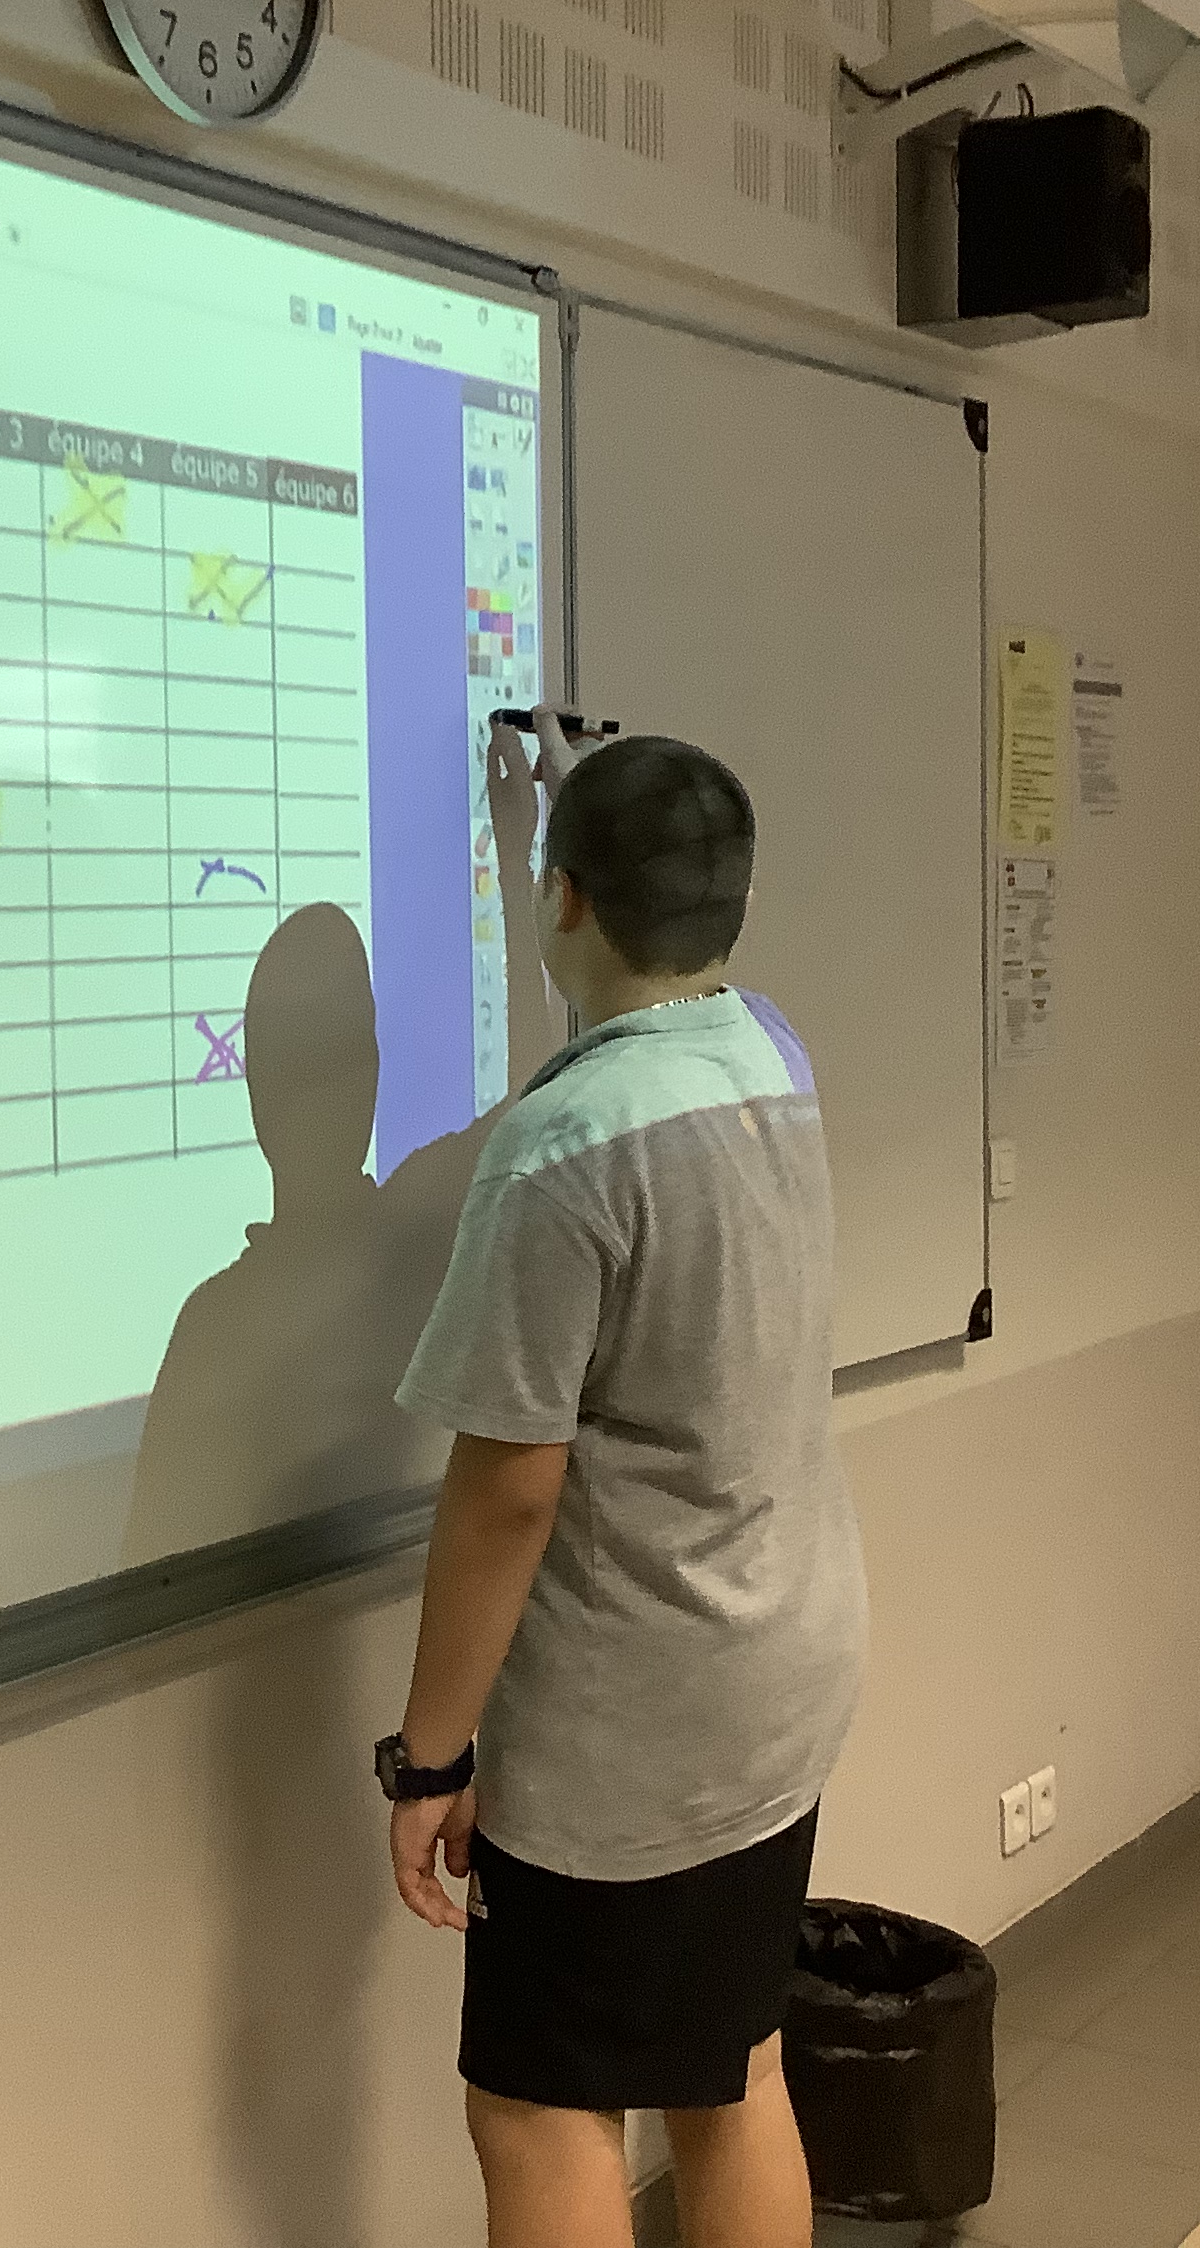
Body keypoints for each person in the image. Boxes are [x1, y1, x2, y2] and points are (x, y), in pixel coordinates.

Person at [375, 712, 868, 2248]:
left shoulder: (557, 1151)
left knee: (539, 2109)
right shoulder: (768, 1053)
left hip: (632, 1728)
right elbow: (629, 1046)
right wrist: (562, 827)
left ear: (565, 898)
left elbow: (508, 1493)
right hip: (777, 1672)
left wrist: (431, 1761)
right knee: (733, 2065)